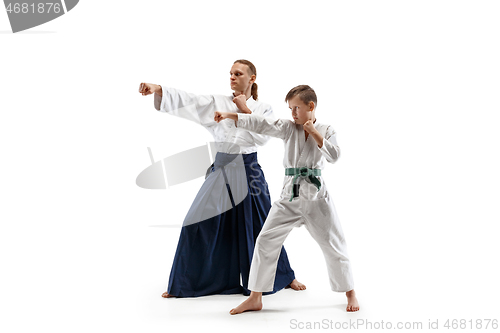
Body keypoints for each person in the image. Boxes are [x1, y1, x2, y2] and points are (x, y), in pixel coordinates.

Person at [138, 60, 305, 298]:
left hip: (249, 169)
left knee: (264, 225)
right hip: (223, 167)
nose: (232, 77)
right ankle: (186, 283)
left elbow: (264, 138)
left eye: (238, 74)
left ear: (252, 78)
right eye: (230, 74)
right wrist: (159, 89)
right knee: (194, 223)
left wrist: (244, 109)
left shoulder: (263, 108)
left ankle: (284, 276)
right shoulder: (218, 103)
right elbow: (191, 101)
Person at [214, 85, 360, 313]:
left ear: (311, 106)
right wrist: (232, 115)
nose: (293, 114)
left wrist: (314, 132)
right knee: (265, 241)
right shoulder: (289, 128)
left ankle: (350, 293)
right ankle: (256, 297)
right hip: (288, 197)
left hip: (316, 198)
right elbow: (262, 124)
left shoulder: (326, 129)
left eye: (297, 108)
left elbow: (334, 156)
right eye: (290, 108)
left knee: (333, 244)